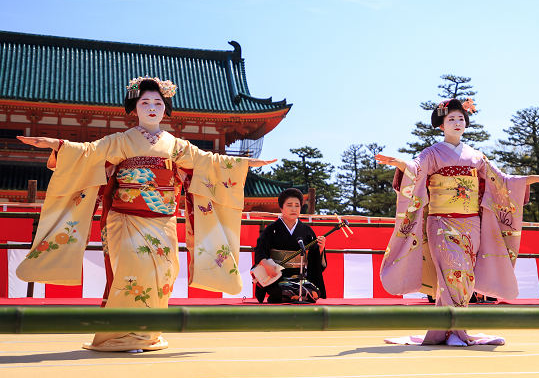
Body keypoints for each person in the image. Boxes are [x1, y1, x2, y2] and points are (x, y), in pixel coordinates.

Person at [16, 76, 275, 351]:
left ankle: (146, 334)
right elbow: (89, 153)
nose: (152, 107)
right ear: (134, 108)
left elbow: (208, 161)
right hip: (125, 219)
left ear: (166, 108)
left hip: (163, 221)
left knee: (164, 275)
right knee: (132, 271)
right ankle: (119, 336)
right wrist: (57, 144)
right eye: (144, 102)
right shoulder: (120, 141)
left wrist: (244, 163)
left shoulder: (176, 145)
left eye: (158, 103)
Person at [376, 98, 539, 346]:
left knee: (462, 276)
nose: (457, 122)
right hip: (441, 222)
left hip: (471, 223)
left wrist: (530, 179)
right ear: (441, 125)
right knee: (454, 271)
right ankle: (456, 331)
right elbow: (416, 168)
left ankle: (444, 330)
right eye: (451, 119)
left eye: (460, 118)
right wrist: (402, 164)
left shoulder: (476, 157)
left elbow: (502, 181)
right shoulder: (431, 153)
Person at [252, 188, 327, 303]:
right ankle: (283, 295)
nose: (294, 209)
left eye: (297, 205)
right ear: (281, 208)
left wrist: (320, 249)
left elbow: (314, 259)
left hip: (299, 276)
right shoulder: (272, 229)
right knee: (284, 291)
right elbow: (260, 248)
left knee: (314, 293)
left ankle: (289, 296)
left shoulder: (307, 231)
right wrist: (266, 264)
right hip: (277, 276)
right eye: (289, 205)